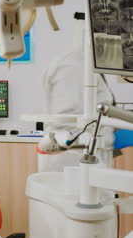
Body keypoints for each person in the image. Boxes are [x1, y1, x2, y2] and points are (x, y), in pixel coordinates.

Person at [41, 13, 117, 171]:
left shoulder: (89, 67)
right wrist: (109, 135)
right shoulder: (72, 67)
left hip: (88, 158)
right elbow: (72, 123)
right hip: (72, 162)